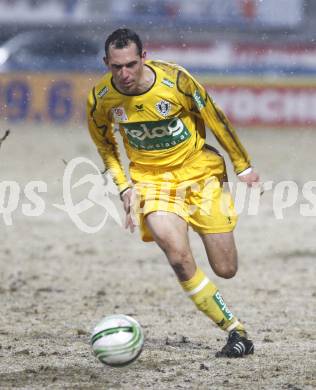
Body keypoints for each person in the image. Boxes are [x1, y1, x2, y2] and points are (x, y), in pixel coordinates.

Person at [87, 28, 260, 358]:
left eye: (131, 65)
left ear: (144, 57)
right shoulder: (100, 99)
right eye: (116, 67)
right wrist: (124, 185)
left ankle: (206, 229)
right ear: (106, 63)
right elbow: (104, 145)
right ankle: (235, 330)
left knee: (226, 268)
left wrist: (243, 165)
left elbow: (215, 118)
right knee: (178, 257)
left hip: (200, 174)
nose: (124, 74)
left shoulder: (177, 81)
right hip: (151, 182)